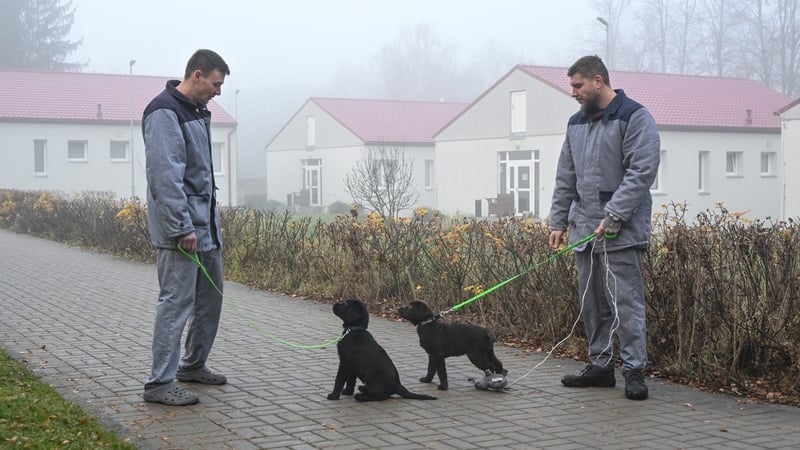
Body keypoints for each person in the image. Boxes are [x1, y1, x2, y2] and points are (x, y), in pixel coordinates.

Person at [548, 55, 660, 400]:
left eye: (577, 85)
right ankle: (600, 367)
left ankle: (633, 371)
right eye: (571, 86)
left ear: (598, 81)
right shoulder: (575, 124)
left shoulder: (634, 117)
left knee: (626, 306)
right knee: (592, 305)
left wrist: (614, 216)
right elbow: (566, 174)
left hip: (621, 235)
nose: (573, 93)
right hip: (584, 233)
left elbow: (642, 171)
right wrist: (557, 220)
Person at [141, 49, 230, 405]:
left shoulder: (195, 111)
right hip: (182, 233)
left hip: (205, 230)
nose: (218, 92)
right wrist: (181, 228)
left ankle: (193, 366)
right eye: (215, 84)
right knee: (175, 304)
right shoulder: (165, 111)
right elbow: (166, 176)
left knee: (211, 300)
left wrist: (205, 226)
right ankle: (159, 383)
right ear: (196, 75)